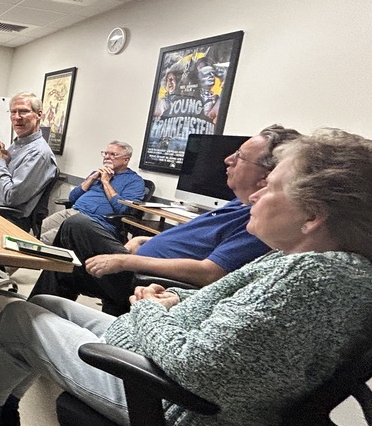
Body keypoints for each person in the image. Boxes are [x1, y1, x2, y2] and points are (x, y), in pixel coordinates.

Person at [0, 129, 372, 426]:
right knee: (51, 307)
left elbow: (199, 368)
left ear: (314, 215)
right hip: (165, 364)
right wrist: (173, 300)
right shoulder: (316, 267)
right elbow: (220, 310)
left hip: (179, 411)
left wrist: (150, 309)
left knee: (20, 315)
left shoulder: (311, 278)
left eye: (271, 186)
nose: (256, 194)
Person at [35, 125, 301, 315]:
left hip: (149, 280)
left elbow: (211, 272)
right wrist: (150, 239)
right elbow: (193, 243)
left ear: (267, 175)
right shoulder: (237, 204)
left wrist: (125, 260)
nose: (228, 159)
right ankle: (37, 321)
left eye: (240, 156)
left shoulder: (260, 219)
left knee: (76, 227)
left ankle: (31, 322)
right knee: (66, 267)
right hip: (139, 262)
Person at [37, 141, 146, 239]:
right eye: (106, 153)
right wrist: (92, 178)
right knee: (34, 232)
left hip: (95, 222)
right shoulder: (97, 174)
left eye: (113, 154)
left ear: (126, 159)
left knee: (44, 240)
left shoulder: (134, 181)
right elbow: (72, 198)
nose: (107, 157)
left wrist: (105, 182)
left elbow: (123, 209)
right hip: (73, 212)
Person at [0, 92, 57, 219]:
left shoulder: (39, 153)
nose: (17, 117)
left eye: (23, 111)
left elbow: (11, 197)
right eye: (13, 112)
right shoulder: (16, 145)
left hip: (6, 217)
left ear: (39, 114)